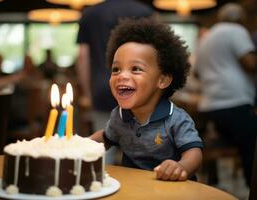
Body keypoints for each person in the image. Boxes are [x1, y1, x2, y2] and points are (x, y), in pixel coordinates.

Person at [90, 17, 203, 181]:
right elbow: (106, 138)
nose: (122, 75)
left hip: (172, 189)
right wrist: (81, 144)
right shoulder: (119, 116)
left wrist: (181, 166)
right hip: (134, 188)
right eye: (116, 69)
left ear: (162, 80)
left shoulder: (176, 119)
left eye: (135, 69)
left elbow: (194, 153)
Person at [75, 0, 154, 164]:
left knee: (102, 152)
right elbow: (156, 53)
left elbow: (82, 56)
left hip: (102, 87)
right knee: (142, 151)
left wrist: (88, 94)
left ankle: (102, 187)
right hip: (139, 88)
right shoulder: (144, 10)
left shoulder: (90, 13)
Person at [194, 3, 257, 187]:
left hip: (209, 105)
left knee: (216, 146)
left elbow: (197, 72)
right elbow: (249, 63)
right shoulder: (236, 30)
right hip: (234, 100)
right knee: (251, 149)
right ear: (240, 19)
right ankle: (251, 189)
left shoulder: (207, 36)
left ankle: (213, 184)